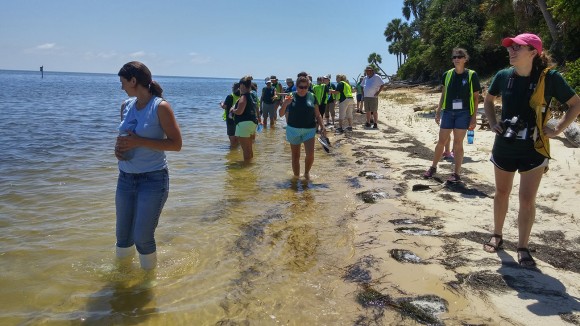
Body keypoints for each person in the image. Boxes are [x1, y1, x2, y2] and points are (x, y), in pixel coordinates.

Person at [482, 33, 580, 267]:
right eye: (510, 47)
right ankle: (497, 234)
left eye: (518, 47)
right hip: (505, 144)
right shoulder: (503, 76)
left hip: (534, 147)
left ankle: (523, 246)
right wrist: (493, 121)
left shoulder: (551, 78)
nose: (511, 51)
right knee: (501, 193)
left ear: (533, 52)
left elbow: (575, 104)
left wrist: (557, 129)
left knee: (527, 199)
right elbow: (488, 99)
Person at [114, 61, 182, 270]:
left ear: (134, 81)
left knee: (142, 237)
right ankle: (121, 283)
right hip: (125, 178)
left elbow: (176, 144)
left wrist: (139, 142)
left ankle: (147, 285)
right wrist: (118, 151)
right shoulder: (126, 106)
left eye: (123, 82)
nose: (121, 87)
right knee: (123, 236)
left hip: (153, 180)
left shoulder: (160, 106)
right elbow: (126, 137)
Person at [423, 48, 481, 182]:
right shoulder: (447, 74)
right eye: (454, 57)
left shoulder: (472, 75)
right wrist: (438, 112)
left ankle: (456, 173)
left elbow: (476, 98)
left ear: (465, 59)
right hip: (448, 111)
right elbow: (443, 94)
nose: (456, 59)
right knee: (441, 141)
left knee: (458, 143)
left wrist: (474, 117)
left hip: (464, 113)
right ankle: (433, 167)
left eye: (460, 57)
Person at [279, 76, 326, 179]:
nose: (303, 89)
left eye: (305, 87)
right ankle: (296, 178)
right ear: (296, 86)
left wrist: (322, 125)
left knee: (310, 155)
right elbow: (281, 114)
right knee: (295, 157)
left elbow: (317, 114)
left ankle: (306, 173)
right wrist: (285, 103)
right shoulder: (290, 96)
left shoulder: (312, 96)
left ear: (308, 87)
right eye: (300, 87)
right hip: (293, 130)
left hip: (309, 130)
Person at [231, 75, 259, 162]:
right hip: (252, 123)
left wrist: (233, 110)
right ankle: (250, 166)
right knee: (249, 149)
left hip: (243, 124)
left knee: (246, 150)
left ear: (242, 85)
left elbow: (239, 111)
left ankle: (246, 169)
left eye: (240, 86)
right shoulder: (252, 96)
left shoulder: (244, 96)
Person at [220, 82, 241, 148]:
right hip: (239, 119)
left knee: (231, 137)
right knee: (237, 136)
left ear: (233, 88)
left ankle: (232, 152)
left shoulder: (230, 96)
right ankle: (236, 150)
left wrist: (221, 103)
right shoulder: (242, 96)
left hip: (230, 119)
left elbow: (224, 107)